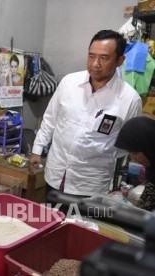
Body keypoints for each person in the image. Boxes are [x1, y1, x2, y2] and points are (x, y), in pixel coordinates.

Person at [29, 30, 142, 198]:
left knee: (84, 224)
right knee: (53, 221)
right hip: (55, 174)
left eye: (104, 58)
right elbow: (50, 119)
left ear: (120, 60)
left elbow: (126, 146)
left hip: (90, 184)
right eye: (91, 56)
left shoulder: (129, 99)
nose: (95, 64)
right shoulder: (69, 83)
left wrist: (101, 152)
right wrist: (37, 150)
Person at [115, 116, 155, 211]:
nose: (134, 159)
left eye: (135, 153)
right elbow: (144, 209)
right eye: (130, 153)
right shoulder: (152, 172)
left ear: (149, 147)